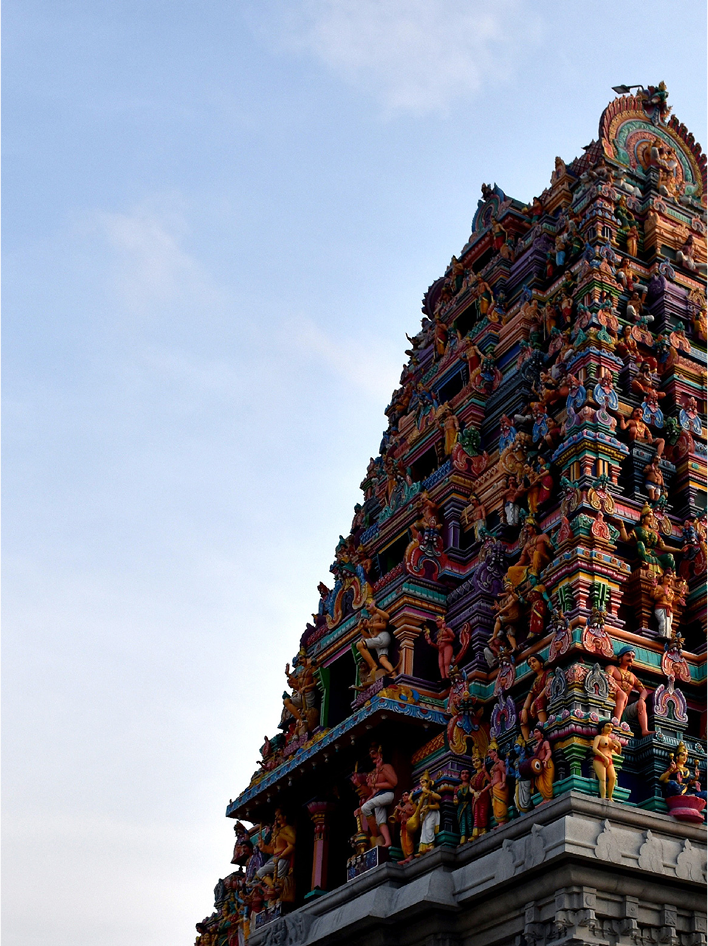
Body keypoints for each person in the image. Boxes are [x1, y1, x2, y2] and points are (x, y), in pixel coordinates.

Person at [358, 744, 398, 848]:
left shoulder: (386, 767)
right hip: (378, 797)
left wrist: (381, 770)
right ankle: (387, 841)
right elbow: (372, 793)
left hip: (387, 795)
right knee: (381, 821)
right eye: (370, 754)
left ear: (380, 754)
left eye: (374, 753)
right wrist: (359, 784)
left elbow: (393, 783)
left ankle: (374, 834)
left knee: (365, 808)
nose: (372, 756)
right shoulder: (374, 773)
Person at [606, 646, 652, 736]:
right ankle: (616, 723)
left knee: (642, 704)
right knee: (622, 695)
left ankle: (644, 730)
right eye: (628, 655)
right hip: (610, 703)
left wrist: (641, 699)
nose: (631, 659)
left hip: (625, 709)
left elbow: (644, 691)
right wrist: (620, 691)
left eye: (633, 657)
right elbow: (607, 678)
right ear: (620, 657)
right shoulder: (612, 668)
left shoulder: (632, 676)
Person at [255, 809, 296, 890]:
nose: (276, 818)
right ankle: (274, 888)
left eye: (279, 815)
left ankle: (280, 890)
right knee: (260, 872)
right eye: (276, 816)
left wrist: (281, 856)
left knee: (279, 879)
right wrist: (263, 847)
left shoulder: (287, 828)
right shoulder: (277, 831)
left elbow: (293, 843)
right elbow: (274, 850)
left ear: (285, 817)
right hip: (275, 859)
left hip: (283, 858)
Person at [356, 598, 395, 677]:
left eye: (368, 607)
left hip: (383, 637)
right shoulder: (370, 620)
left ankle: (373, 665)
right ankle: (394, 674)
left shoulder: (378, 614)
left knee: (359, 645)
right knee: (382, 660)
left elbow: (386, 619)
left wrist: (375, 609)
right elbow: (370, 637)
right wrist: (361, 629)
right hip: (377, 641)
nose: (368, 610)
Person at [520, 655, 550, 740]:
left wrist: (534, 702)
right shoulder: (535, 681)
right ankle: (526, 741)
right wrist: (524, 710)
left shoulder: (548, 672)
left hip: (547, 701)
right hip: (536, 709)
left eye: (534, 661)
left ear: (541, 663)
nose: (532, 664)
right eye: (530, 664)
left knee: (538, 701)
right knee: (521, 714)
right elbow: (529, 698)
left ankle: (543, 729)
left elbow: (549, 685)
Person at [592, 720, 622, 800]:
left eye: (611, 727)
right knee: (603, 779)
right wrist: (604, 757)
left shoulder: (611, 740)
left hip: (609, 760)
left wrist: (619, 746)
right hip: (599, 759)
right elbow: (594, 749)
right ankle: (603, 797)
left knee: (613, 778)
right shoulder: (599, 737)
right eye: (608, 726)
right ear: (602, 728)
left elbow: (618, 752)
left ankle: (610, 797)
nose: (610, 728)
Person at [415, 771, 441, 855]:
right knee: (423, 831)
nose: (421, 784)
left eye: (423, 782)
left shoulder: (430, 793)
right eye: (420, 783)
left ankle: (431, 844)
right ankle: (423, 848)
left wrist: (429, 806)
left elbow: (438, 803)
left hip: (431, 813)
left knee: (429, 828)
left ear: (428, 782)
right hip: (424, 815)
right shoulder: (422, 796)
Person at [487, 743, 509, 825]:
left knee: (500, 804)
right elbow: (491, 780)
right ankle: (499, 822)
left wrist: (503, 782)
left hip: (499, 786)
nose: (489, 755)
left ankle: (502, 821)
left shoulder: (500, 762)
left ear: (495, 752)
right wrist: (485, 771)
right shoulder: (494, 765)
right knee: (496, 805)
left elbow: (504, 772)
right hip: (494, 787)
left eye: (490, 752)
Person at [531, 725, 554, 803]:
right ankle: (544, 798)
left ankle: (549, 797)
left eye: (537, 731)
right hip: (539, 766)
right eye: (534, 732)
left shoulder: (545, 742)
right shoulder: (535, 747)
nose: (535, 734)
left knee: (547, 782)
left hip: (547, 764)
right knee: (538, 783)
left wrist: (545, 760)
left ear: (542, 733)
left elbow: (549, 752)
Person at [454, 769, 473, 843]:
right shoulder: (457, 788)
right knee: (462, 821)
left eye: (467, 773)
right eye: (463, 773)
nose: (465, 775)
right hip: (461, 806)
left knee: (470, 820)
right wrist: (455, 800)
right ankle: (463, 838)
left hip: (469, 805)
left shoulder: (471, 785)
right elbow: (455, 798)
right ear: (460, 776)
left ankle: (472, 834)